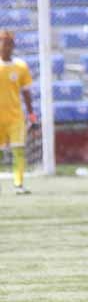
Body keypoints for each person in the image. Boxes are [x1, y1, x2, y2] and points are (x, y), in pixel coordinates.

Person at [0, 30, 36, 195]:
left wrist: (31, 114)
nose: (4, 46)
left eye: (7, 43)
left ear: (12, 46)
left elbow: (26, 92)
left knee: (19, 150)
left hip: (15, 117)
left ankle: (19, 184)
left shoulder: (20, 66)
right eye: (2, 42)